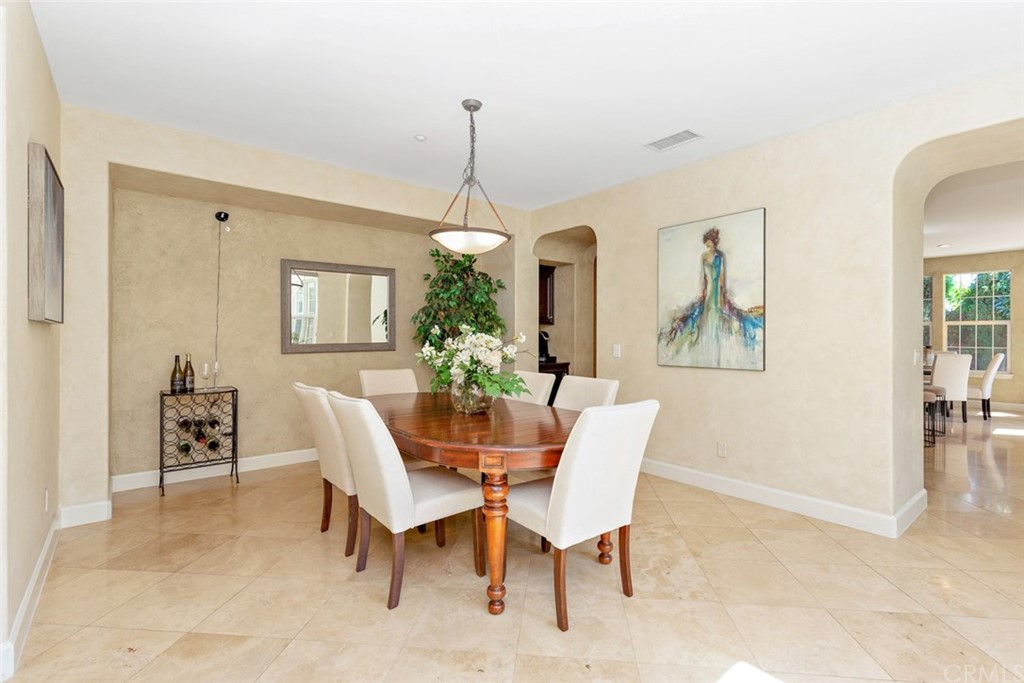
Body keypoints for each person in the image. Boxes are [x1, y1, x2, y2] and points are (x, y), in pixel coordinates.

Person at [659, 227, 764, 368]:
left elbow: (722, 277)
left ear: (712, 241)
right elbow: (703, 277)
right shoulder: (703, 256)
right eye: (706, 241)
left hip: (716, 291)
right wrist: (703, 292)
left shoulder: (721, 256)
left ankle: (716, 341)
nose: (706, 243)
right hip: (708, 290)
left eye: (707, 241)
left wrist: (722, 293)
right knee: (704, 314)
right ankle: (704, 344)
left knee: (718, 313)